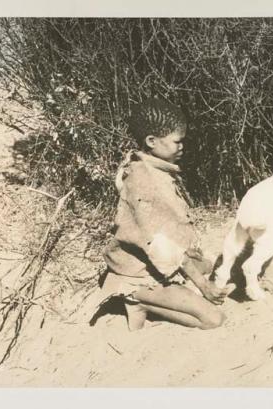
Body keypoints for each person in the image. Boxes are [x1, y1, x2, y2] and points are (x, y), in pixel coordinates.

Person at [99, 98, 234, 331]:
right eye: (177, 142)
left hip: (158, 260)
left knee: (210, 263)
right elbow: (158, 243)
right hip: (139, 274)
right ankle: (138, 299)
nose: (182, 147)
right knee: (212, 319)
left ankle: (164, 293)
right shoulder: (144, 180)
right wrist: (203, 286)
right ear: (152, 141)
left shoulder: (154, 169)